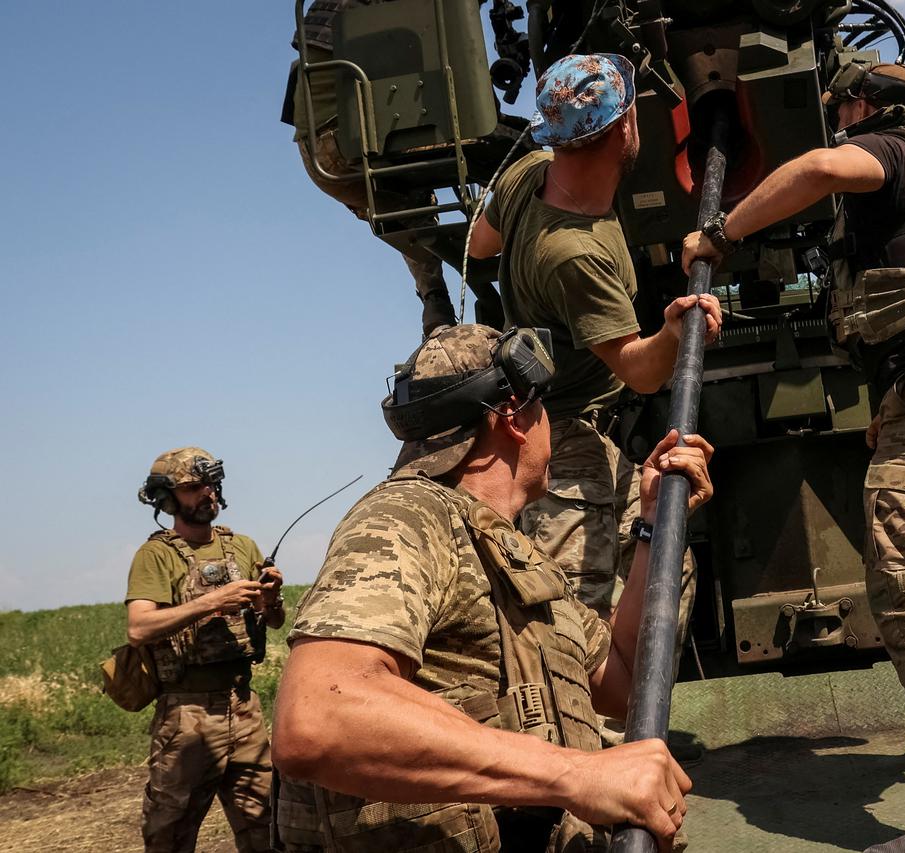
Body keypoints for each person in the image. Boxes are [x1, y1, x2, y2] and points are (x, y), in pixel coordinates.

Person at [682, 62, 905, 853]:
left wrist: (721, 232)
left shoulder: (888, 155)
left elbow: (815, 168)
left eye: (841, 103)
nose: (834, 116)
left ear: (868, 107)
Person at [269, 324, 714, 852]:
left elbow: (622, 684)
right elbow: (318, 716)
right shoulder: (406, 516)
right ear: (513, 418)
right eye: (544, 405)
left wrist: (652, 527)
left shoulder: (508, 549)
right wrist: (576, 774)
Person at [467, 53, 722, 643]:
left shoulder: (527, 171)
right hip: (564, 440)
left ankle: (618, 720)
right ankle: (584, 733)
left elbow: (480, 245)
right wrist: (674, 331)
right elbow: (638, 371)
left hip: (573, 428)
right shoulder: (577, 253)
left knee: (666, 564)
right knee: (577, 607)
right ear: (625, 128)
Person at [127, 447, 285, 853]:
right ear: (167, 498)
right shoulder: (156, 555)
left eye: (211, 484)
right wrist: (211, 602)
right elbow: (139, 627)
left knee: (268, 826)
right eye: (193, 488)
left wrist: (270, 599)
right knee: (170, 834)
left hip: (244, 706)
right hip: (187, 716)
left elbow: (273, 623)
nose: (207, 494)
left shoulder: (243, 547)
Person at [283, 0, 458, 338]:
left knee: (411, 209)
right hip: (352, 141)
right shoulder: (391, 13)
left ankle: (436, 307)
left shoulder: (328, 9)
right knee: (512, 156)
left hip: (320, 158)